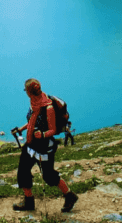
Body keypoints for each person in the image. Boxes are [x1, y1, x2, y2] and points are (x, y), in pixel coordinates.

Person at [11, 78, 78, 213]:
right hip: (30, 144)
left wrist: (42, 135)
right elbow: (32, 122)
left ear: (30, 91)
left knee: (49, 177)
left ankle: (70, 196)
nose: (26, 93)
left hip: (44, 148)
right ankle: (29, 202)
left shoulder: (48, 107)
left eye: (26, 90)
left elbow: (52, 130)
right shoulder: (34, 102)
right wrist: (22, 129)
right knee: (23, 172)